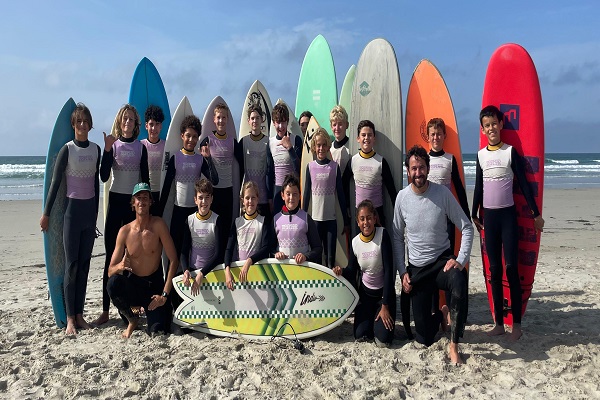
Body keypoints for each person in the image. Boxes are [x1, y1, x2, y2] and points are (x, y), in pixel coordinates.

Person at [393, 145, 473, 364]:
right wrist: (403, 273)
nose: (418, 173)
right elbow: (397, 237)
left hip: (441, 263)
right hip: (417, 269)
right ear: (407, 171)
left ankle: (454, 345)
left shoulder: (442, 194)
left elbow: (467, 226)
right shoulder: (402, 198)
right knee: (425, 338)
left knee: (459, 279)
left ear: (428, 168)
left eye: (421, 167)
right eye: (413, 168)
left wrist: (460, 259)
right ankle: (441, 314)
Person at [472, 105, 545, 341]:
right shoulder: (481, 155)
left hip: (508, 217)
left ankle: (517, 324)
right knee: (494, 270)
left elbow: (523, 184)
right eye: (487, 125)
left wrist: (535, 214)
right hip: (489, 219)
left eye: (494, 123)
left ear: (501, 124)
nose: (491, 128)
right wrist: (474, 213)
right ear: (482, 130)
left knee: (512, 268)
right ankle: (498, 323)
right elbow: (479, 186)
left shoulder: (510, 152)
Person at [40, 103, 100, 335]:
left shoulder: (95, 150)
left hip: (88, 215)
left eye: (86, 121)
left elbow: (96, 183)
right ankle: (69, 319)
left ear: (90, 124)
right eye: (78, 122)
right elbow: (55, 184)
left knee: (84, 267)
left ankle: (80, 315)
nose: (82, 125)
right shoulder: (68, 149)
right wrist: (46, 214)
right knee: (71, 266)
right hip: (72, 215)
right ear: (73, 125)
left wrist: (95, 215)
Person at [95, 104, 149, 326]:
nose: (127, 123)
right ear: (119, 121)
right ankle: (106, 310)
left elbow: (145, 182)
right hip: (116, 204)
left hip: (132, 207)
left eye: (131, 120)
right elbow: (104, 176)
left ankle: (132, 308)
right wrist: (107, 150)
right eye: (124, 119)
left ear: (136, 125)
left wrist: (145, 211)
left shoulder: (141, 148)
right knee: (111, 257)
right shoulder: (113, 145)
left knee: (134, 257)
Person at [107, 182, 178, 338]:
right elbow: (110, 271)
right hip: (133, 292)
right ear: (133, 203)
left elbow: (173, 260)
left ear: (150, 202)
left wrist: (164, 296)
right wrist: (120, 266)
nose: (142, 201)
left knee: (157, 330)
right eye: (138, 198)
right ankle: (133, 318)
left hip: (153, 291)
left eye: (145, 197)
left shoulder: (158, 225)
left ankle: (151, 313)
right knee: (114, 283)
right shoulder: (124, 231)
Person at [159, 114, 218, 273]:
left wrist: (209, 159)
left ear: (198, 138)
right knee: (175, 256)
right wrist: (157, 214)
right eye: (188, 136)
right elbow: (166, 190)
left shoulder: (200, 160)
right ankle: (172, 295)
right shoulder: (175, 158)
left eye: (194, 136)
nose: (191, 139)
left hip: (194, 215)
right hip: (178, 215)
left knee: (190, 255)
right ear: (181, 136)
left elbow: (215, 180)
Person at [333, 200, 395, 346]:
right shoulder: (355, 243)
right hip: (366, 297)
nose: (366, 222)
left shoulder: (382, 235)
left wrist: (385, 305)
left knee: (383, 341)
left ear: (374, 218)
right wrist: (340, 270)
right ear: (357, 221)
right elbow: (351, 270)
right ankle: (372, 320)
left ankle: (380, 319)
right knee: (360, 336)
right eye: (362, 219)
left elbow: (389, 272)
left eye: (368, 218)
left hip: (383, 298)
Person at [302, 128, 349, 269]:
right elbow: (306, 195)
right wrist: (303, 219)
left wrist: (346, 222)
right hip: (315, 222)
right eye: (318, 145)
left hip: (330, 221)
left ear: (328, 146)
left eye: (324, 145)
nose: (321, 148)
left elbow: (340, 195)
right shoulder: (310, 167)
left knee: (330, 258)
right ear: (314, 147)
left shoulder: (334, 167)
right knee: (316, 258)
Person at [343, 119, 396, 231]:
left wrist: (399, 213)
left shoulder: (381, 162)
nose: (366, 138)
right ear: (358, 139)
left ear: (374, 138)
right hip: (360, 218)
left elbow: (392, 190)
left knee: (379, 248)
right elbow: (343, 185)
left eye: (370, 135)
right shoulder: (353, 161)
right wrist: (346, 209)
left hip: (377, 215)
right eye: (363, 135)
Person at [206, 102, 244, 260]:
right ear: (214, 120)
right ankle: (213, 262)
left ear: (227, 120)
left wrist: (242, 186)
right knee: (214, 230)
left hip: (228, 192)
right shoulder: (207, 141)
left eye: (224, 118)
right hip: (214, 193)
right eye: (218, 117)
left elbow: (242, 166)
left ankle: (225, 263)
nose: (221, 121)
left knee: (227, 230)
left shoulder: (232, 142)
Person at [224, 181, 271, 290]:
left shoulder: (263, 221)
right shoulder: (237, 222)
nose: (250, 201)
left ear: (258, 199)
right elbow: (229, 249)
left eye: (253, 198)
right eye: (247, 198)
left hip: (258, 275)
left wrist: (249, 261)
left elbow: (266, 248)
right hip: (240, 274)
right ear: (242, 201)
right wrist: (227, 271)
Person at [180, 179, 221, 297]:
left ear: (212, 199)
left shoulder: (217, 220)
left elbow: (218, 255)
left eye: (207, 197)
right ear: (195, 200)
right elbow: (184, 251)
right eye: (200, 197)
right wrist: (186, 270)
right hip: (194, 272)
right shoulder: (189, 220)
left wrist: (202, 273)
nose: (204, 201)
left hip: (212, 273)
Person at [271, 174, 322, 264]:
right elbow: (270, 247)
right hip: (282, 271)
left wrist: (305, 256)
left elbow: (317, 248)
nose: (291, 198)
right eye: (288, 194)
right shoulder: (276, 219)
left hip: (301, 272)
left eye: (295, 194)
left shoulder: (306, 218)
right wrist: (276, 253)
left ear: (299, 196)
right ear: (282, 196)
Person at [239, 103, 274, 220]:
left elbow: (270, 170)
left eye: (257, 118)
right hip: (248, 197)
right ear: (248, 121)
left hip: (263, 197)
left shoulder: (268, 142)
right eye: (252, 118)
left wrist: (270, 197)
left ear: (262, 120)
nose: (255, 121)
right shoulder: (243, 142)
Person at [269, 102, 303, 212]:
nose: (281, 126)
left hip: (293, 191)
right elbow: (269, 172)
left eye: (283, 122)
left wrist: (290, 148)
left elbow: (300, 168)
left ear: (287, 121)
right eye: (278, 122)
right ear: (274, 123)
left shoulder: (296, 140)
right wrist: (270, 198)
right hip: (277, 192)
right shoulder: (270, 143)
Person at [141, 105, 166, 216]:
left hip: (161, 194)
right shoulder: (140, 145)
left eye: (157, 124)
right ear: (146, 126)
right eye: (151, 124)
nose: (154, 128)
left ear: (161, 126)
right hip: (145, 193)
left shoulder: (166, 147)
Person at [329, 105, 351, 174]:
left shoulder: (352, 147)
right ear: (331, 126)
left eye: (340, 124)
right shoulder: (329, 149)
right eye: (334, 125)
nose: (337, 128)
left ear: (347, 125)